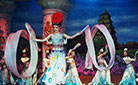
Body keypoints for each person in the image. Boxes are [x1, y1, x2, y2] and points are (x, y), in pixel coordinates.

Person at [33, 12, 81, 85]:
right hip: (54, 54)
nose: (55, 29)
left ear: (60, 28)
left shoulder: (62, 35)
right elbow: (43, 40)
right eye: (54, 27)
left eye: (57, 27)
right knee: (52, 68)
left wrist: (77, 34)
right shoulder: (51, 36)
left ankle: (60, 81)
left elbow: (70, 37)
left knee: (61, 68)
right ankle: (52, 81)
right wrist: (34, 39)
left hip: (61, 54)